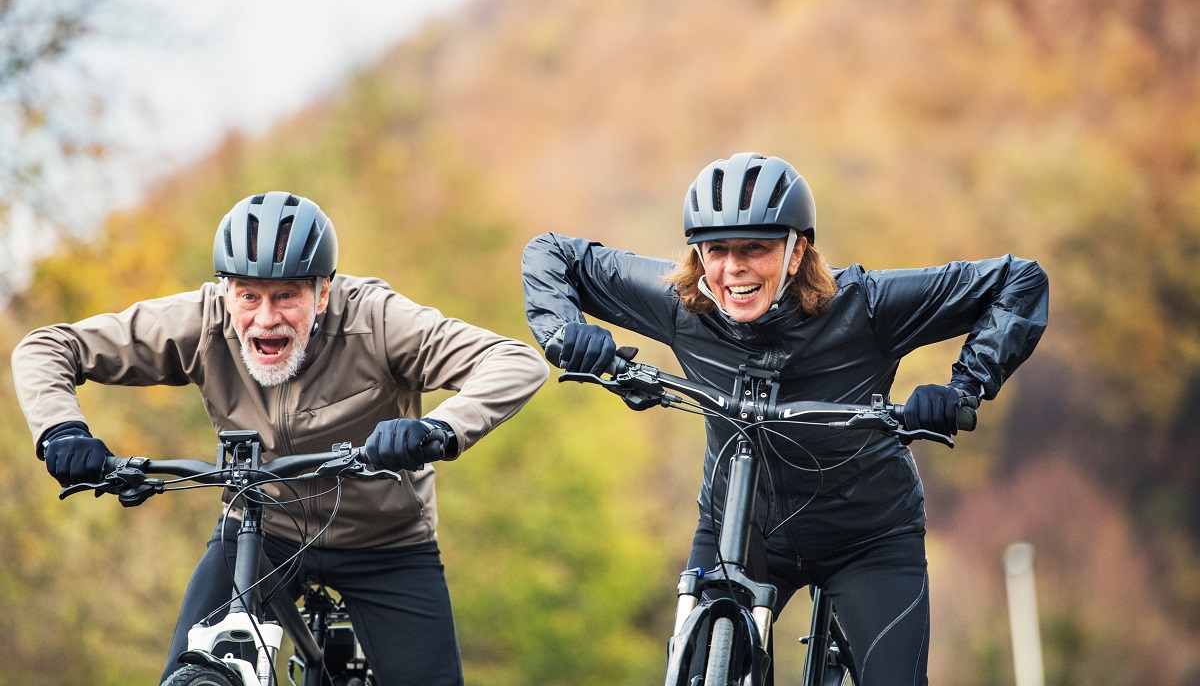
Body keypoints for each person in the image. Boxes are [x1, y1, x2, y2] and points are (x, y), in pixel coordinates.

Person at [521, 152, 1048, 686]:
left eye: (756, 248)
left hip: (866, 538)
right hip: (738, 530)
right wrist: (566, 333)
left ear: (797, 254)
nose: (733, 269)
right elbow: (550, 253)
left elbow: (1019, 282)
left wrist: (963, 388)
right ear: (698, 255)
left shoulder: (864, 308)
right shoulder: (681, 307)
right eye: (717, 251)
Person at [13, 191, 549, 685]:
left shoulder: (378, 322)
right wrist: (61, 428)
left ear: (323, 294)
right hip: (260, 530)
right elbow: (48, 347)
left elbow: (514, 361)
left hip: (385, 541)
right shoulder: (203, 322)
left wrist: (438, 428)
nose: (265, 319)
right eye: (249, 296)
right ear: (227, 291)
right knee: (190, 677)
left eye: (286, 295)